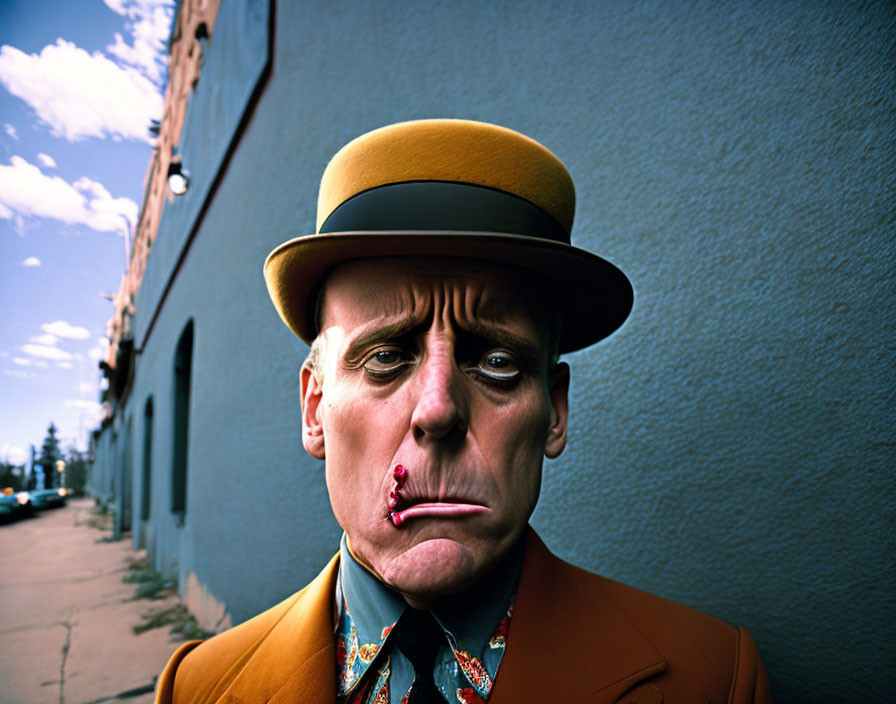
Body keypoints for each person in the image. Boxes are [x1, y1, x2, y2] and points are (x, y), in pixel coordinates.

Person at [155, 119, 772, 703]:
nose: (438, 409)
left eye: (498, 361)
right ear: (315, 408)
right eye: (386, 356)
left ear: (553, 411)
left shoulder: (714, 681)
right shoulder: (196, 688)